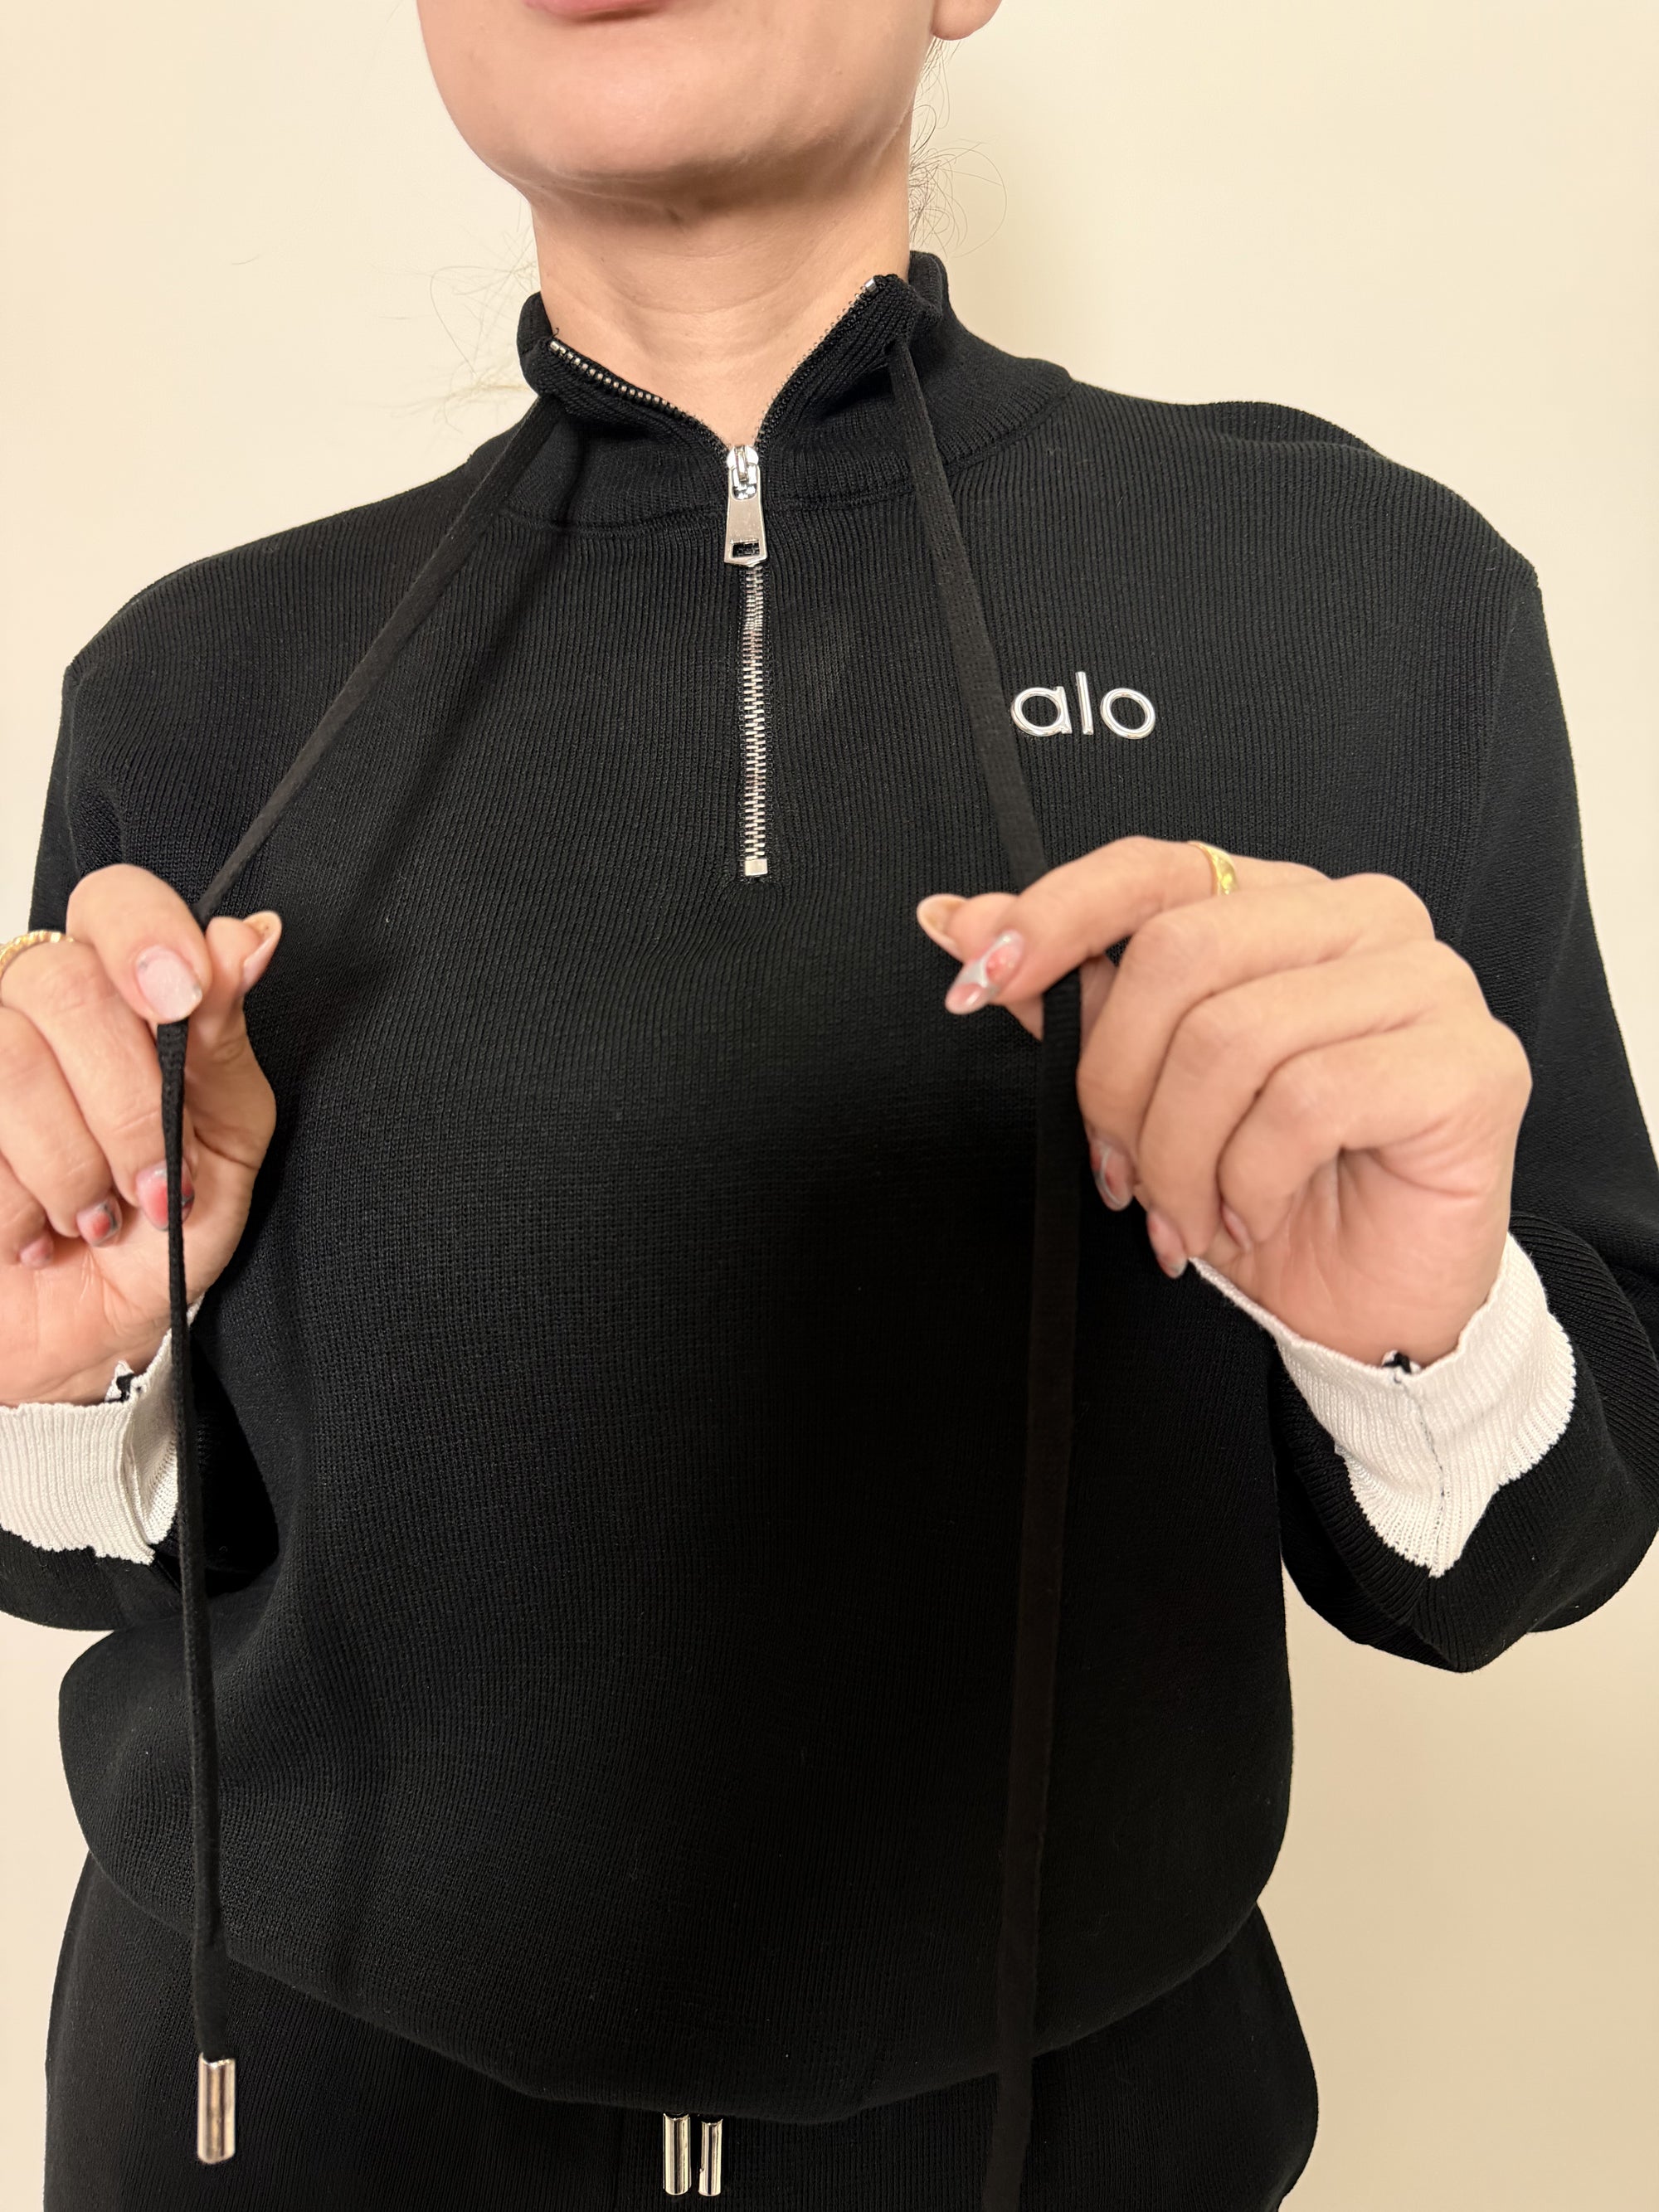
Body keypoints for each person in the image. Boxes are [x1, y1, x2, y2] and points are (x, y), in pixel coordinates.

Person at [4, 1, 1657, 2206]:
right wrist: (67, 1362)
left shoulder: (1364, 609)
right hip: (267, 2130)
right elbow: (92, 1560)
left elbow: (1529, 1550)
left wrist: (1424, 1338)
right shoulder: (189, 693)